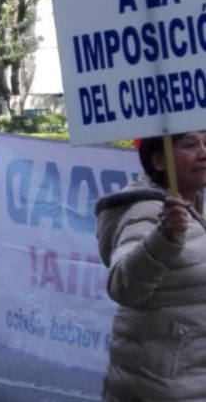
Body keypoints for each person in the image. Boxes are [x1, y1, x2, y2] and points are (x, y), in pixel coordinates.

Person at [95, 132, 206, 401]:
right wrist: (164, 239)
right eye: (191, 145)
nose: (203, 152)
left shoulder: (194, 205)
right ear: (159, 161)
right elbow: (123, 285)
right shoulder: (146, 212)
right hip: (161, 388)